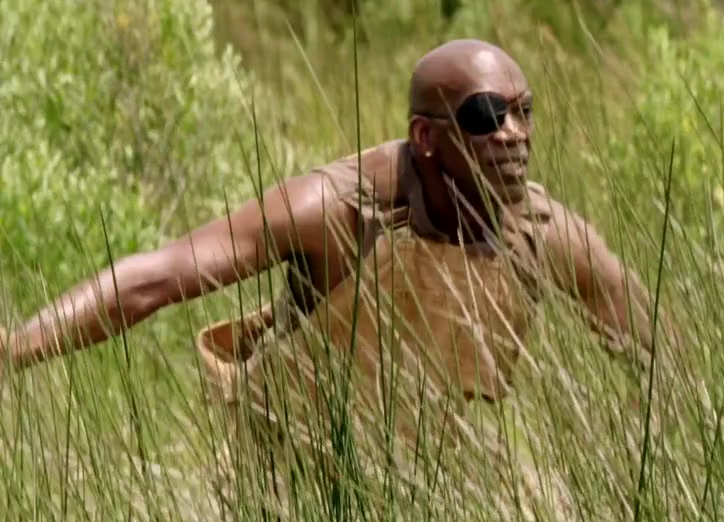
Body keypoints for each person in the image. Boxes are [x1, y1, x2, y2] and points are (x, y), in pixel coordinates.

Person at [0, 38, 686, 509]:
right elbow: (156, 277)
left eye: (524, 111)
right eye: (485, 115)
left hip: (426, 486)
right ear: (425, 136)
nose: (514, 133)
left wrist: (651, 465)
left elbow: (654, 342)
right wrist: (14, 350)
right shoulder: (337, 210)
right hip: (283, 485)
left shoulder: (541, 233)